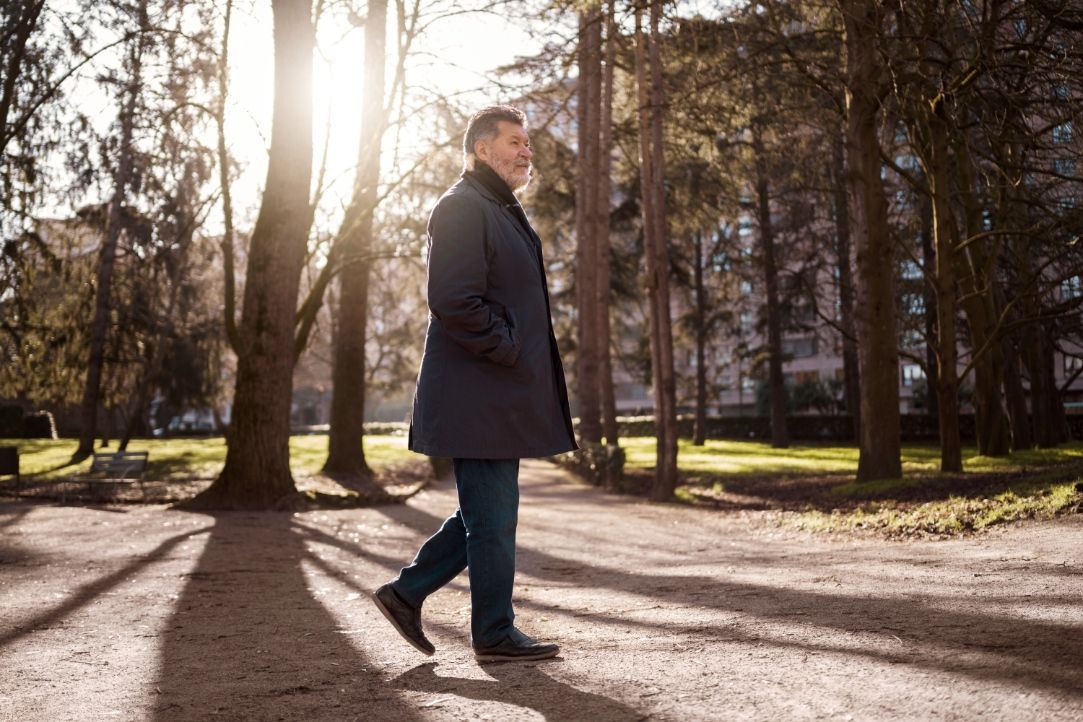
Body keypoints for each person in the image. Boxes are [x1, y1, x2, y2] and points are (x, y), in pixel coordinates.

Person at [372, 105, 577, 663]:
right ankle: (492, 631)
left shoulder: (498, 209)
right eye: (515, 142)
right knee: (492, 516)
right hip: (477, 390)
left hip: (493, 391)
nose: (526, 151)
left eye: (527, 143)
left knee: (486, 513)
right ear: (483, 149)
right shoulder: (463, 206)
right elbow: (453, 300)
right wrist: (508, 345)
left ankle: (405, 593)